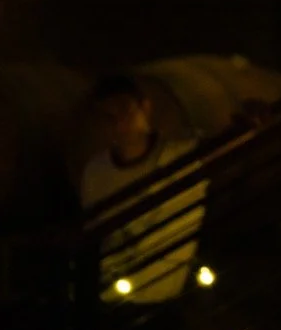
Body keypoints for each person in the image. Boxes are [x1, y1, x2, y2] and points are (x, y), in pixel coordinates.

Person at [79, 74, 208, 305]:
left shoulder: (181, 158)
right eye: (108, 116)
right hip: (112, 299)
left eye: (124, 110)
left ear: (145, 108)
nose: (118, 122)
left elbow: (225, 145)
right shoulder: (96, 171)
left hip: (164, 296)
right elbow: (94, 232)